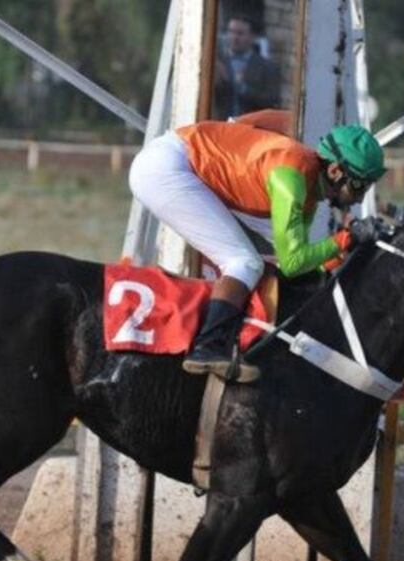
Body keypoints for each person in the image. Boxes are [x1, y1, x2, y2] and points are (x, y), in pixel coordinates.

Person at [128, 109, 387, 381]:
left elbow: (301, 264)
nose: (360, 199)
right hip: (168, 168)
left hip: (182, 161)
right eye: (359, 186)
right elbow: (293, 262)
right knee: (244, 262)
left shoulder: (307, 187)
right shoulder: (292, 181)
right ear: (335, 171)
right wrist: (347, 238)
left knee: (270, 264)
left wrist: (347, 251)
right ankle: (208, 347)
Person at [213, 15, 281, 119]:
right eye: (231, 32)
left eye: (240, 33)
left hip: (251, 125)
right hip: (220, 124)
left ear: (252, 37)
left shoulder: (267, 67)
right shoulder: (218, 63)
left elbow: (272, 102)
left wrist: (243, 88)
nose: (234, 37)